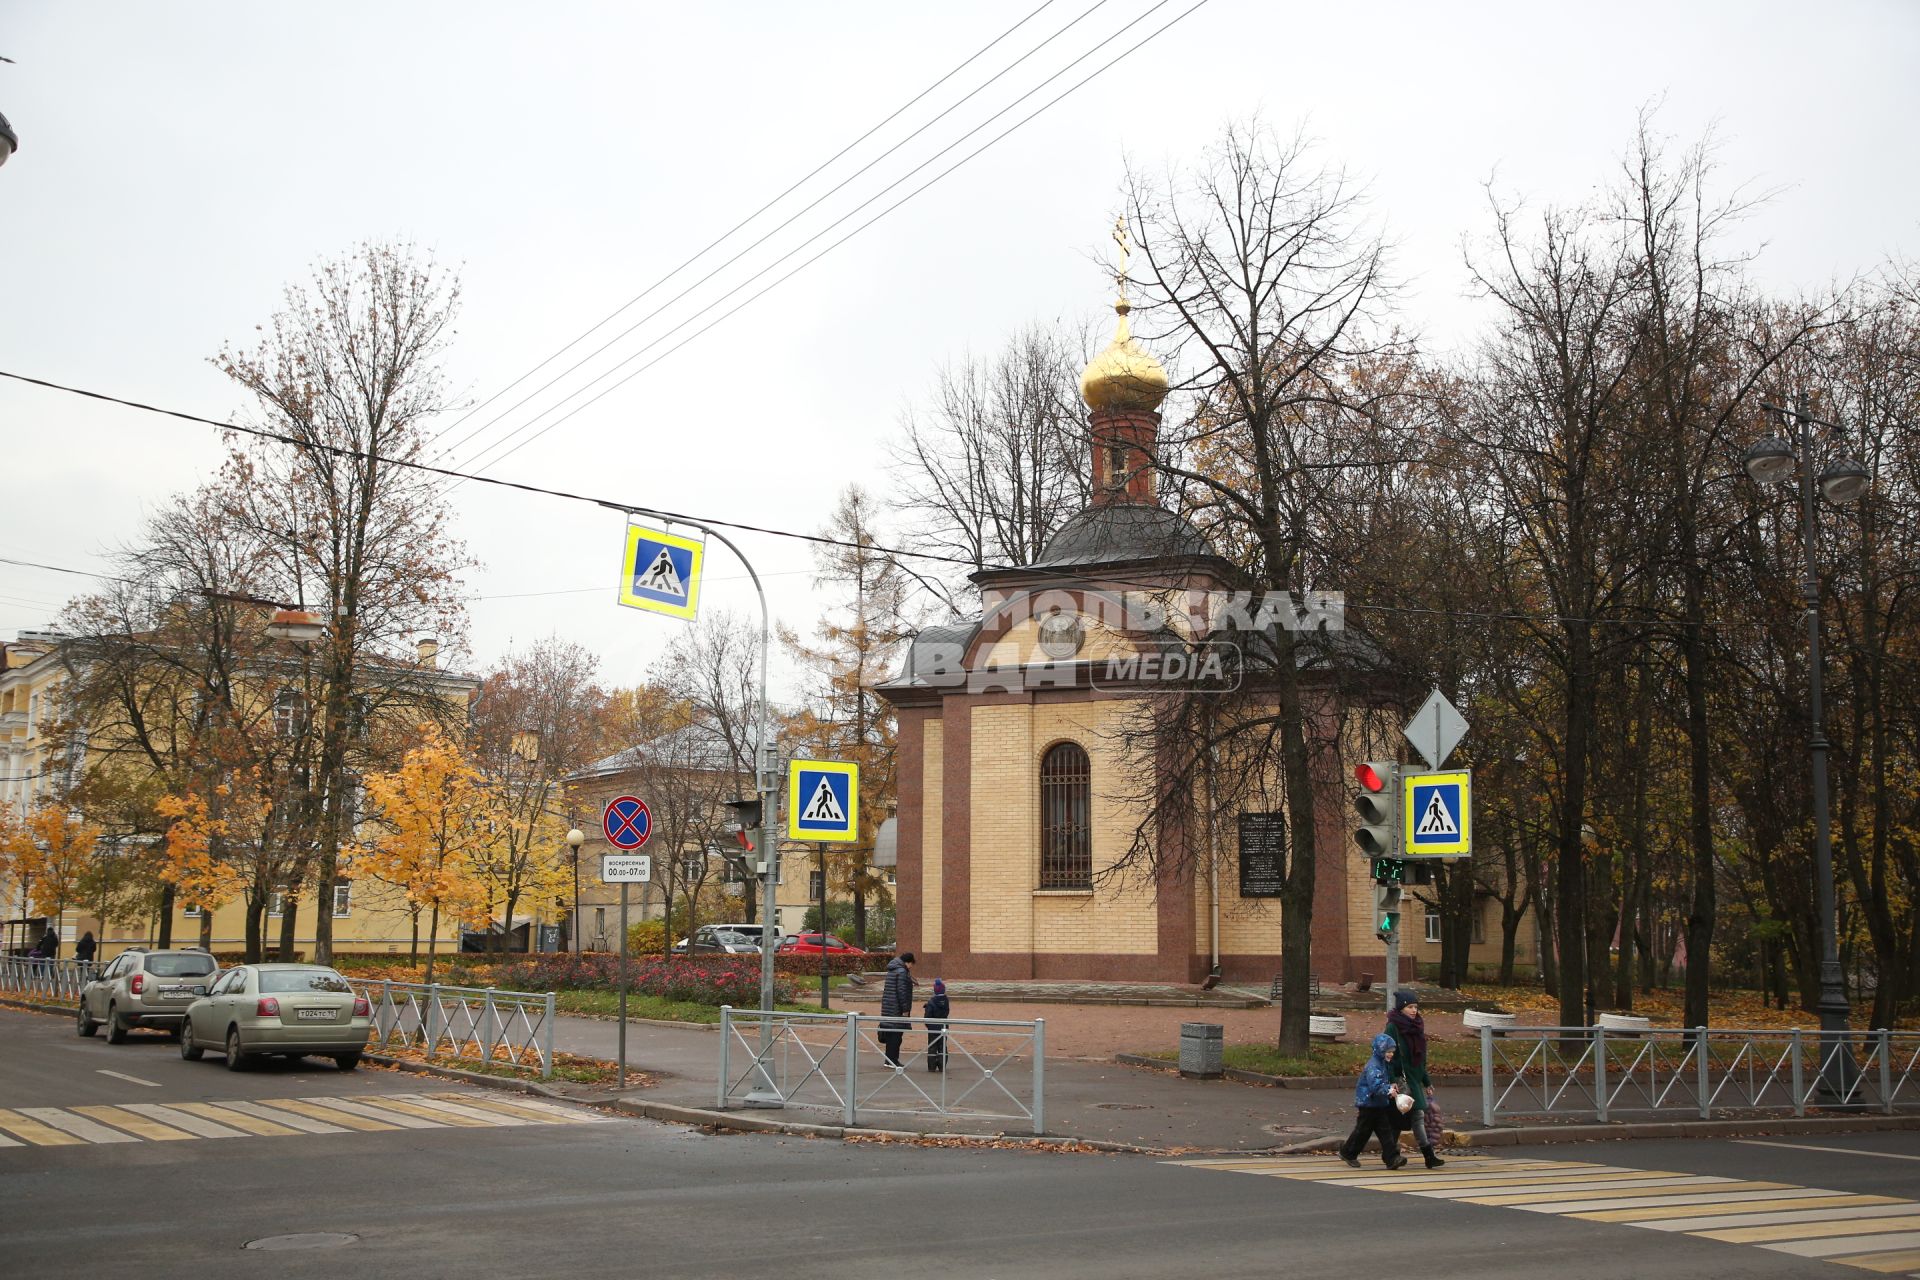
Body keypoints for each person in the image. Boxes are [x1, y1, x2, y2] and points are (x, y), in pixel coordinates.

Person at [1386, 991, 1445, 1169]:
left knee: (1414, 1117)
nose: (1413, 1011)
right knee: (1402, 1118)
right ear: (1401, 1008)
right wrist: (1391, 1080)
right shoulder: (1393, 1027)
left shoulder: (1417, 1026)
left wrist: (1426, 1082)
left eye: (1416, 1007)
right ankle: (1394, 1156)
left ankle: (1424, 1156)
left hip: (1414, 1080)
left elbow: (1420, 1060)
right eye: (1410, 1007)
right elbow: (1388, 1056)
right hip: (1401, 1081)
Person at [1339, 1032, 1408, 1169]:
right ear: (1380, 1050)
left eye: (1392, 1052)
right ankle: (1348, 1152)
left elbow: (1380, 1082)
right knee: (1363, 1131)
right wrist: (1388, 1090)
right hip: (1368, 1103)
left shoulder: (1381, 1063)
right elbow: (1375, 1085)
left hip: (1376, 1103)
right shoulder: (1374, 1066)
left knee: (1383, 1131)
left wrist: (1389, 1086)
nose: (1391, 1054)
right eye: (1388, 1051)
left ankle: (1391, 1158)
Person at [879, 951, 916, 1068]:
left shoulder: (892, 970)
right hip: (897, 1010)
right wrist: (905, 1010)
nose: (911, 967)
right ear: (908, 962)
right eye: (911, 965)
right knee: (896, 1037)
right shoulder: (902, 972)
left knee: (891, 1036)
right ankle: (892, 1061)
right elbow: (902, 993)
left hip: (888, 1007)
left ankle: (889, 1060)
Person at [923, 978, 950, 1072]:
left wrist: (929, 1026)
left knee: (932, 1047)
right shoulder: (946, 1001)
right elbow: (946, 1013)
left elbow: (927, 1017)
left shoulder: (931, 1002)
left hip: (933, 1029)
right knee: (942, 1047)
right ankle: (942, 1066)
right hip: (943, 1027)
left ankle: (932, 1066)